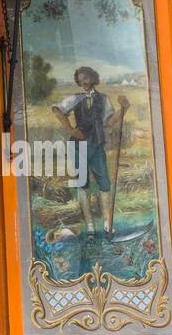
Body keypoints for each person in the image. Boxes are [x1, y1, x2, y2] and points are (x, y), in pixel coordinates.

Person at [51, 65, 129, 236]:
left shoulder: (104, 99)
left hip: (97, 145)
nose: (82, 81)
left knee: (105, 184)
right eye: (79, 79)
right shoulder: (75, 98)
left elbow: (109, 122)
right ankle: (91, 226)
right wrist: (71, 129)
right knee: (83, 183)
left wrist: (123, 109)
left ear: (93, 78)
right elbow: (57, 110)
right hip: (78, 146)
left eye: (85, 78)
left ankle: (108, 223)